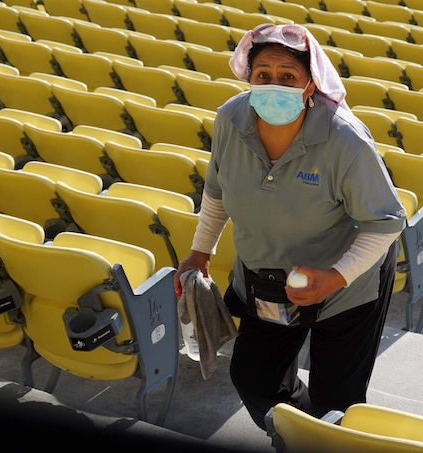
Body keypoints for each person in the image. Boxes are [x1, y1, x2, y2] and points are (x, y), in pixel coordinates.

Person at [173, 23, 406, 430]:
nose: (273, 85)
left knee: (339, 399)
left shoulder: (344, 139)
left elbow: (387, 222)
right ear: (248, 76)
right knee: (254, 378)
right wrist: (200, 250)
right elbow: (216, 192)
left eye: (287, 76)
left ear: (310, 85)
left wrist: (336, 276)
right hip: (268, 279)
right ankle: (300, 433)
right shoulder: (231, 119)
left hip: (348, 284)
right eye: (263, 75)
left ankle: (330, 434)